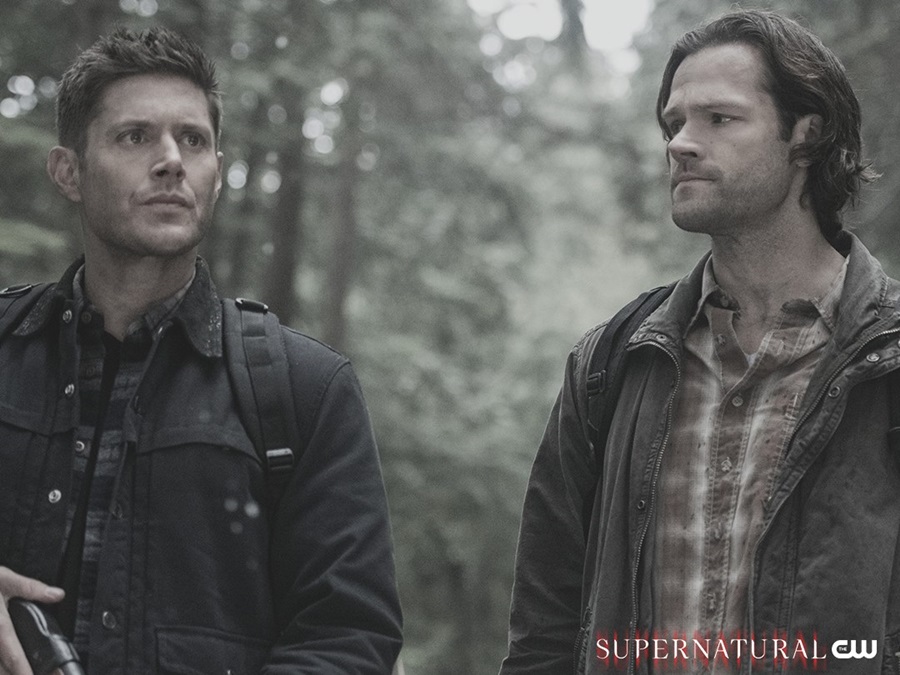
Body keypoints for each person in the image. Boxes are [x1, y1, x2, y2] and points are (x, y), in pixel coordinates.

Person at [500, 9, 900, 675]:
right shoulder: (610, 364)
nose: (681, 143)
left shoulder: (886, 355)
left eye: (719, 118)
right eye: (674, 123)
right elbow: (544, 632)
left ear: (806, 134)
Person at [0, 27, 402, 674]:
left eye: (192, 140)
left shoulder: (307, 387)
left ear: (215, 174)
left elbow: (349, 638)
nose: (171, 161)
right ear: (68, 171)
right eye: (135, 137)